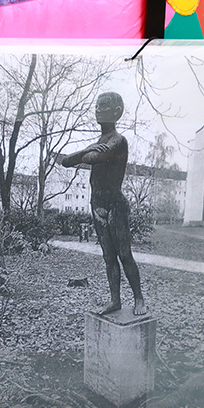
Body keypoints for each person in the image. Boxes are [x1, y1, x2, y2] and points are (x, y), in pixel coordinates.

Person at [60, 92, 147, 316]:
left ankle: (138, 298)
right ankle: (115, 300)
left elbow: (94, 158)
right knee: (109, 257)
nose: (98, 110)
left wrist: (87, 153)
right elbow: (66, 161)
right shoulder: (99, 142)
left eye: (104, 106)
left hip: (115, 205)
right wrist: (86, 150)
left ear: (116, 112)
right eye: (97, 106)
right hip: (97, 205)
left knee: (124, 254)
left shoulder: (118, 141)